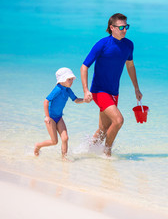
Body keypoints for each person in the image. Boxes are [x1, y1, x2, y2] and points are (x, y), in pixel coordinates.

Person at [80, 13, 143, 157]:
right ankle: (106, 153)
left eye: (126, 26)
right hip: (99, 91)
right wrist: (85, 90)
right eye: (121, 27)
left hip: (114, 92)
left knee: (103, 129)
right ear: (112, 28)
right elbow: (84, 67)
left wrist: (136, 88)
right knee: (118, 120)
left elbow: (130, 66)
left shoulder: (128, 45)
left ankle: (87, 151)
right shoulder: (102, 44)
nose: (124, 30)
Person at [34, 67, 85, 160]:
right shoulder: (57, 89)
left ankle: (64, 158)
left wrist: (85, 100)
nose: (71, 81)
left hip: (59, 117)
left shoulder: (68, 90)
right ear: (62, 80)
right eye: (69, 79)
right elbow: (46, 101)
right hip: (51, 118)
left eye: (72, 79)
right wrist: (47, 117)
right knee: (54, 141)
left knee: (65, 138)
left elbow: (76, 100)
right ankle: (38, 146)